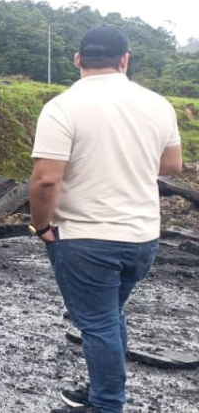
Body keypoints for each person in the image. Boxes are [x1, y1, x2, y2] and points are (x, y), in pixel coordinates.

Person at [30, 25, 183, 413]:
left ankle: (106, 404)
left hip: (86, 238)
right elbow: (172, 165)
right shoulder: (157, 104)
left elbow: (47, 179)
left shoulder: (62, 107)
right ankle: (102, 389)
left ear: (78, 60)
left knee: (97, 324)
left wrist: (43, 227)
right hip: (142, 238)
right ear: (125, 60)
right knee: (109, 316)